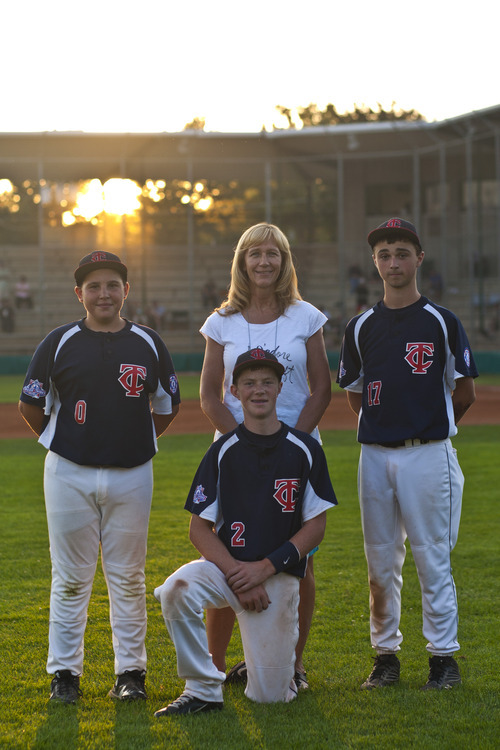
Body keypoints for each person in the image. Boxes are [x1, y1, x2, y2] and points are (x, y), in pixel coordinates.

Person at [18, 250, 181, 705]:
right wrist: (69, 441)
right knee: (70, 578)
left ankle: (131, 673)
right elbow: (31, 406)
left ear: (126, 291)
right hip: (68, 472)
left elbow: (165, 408)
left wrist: (129, 441)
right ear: (79, 294)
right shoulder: (59, 340)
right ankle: (64, 675)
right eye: (94, 286)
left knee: (128, 578)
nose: (104, 293)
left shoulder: (148, 342)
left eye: (112, 284)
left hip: (132, 474)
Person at [154, 349, 337, 716]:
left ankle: (271, 669)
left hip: (277, 578)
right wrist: (240, 576)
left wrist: (264, 569)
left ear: (280, 387)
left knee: (269, 696)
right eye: (249, 383)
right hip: (229, 572)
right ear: (234, 391)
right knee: (176, 589)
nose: (259, 390)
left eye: (267, 381)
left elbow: (315, 527)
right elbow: (199, 529)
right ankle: (203, 687)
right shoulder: (222, 450)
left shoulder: (305, 450)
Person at [337, 218, 478, 691]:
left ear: (419, 258)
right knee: (380, 562)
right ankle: (386, 657)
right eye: (384, 255)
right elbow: (356, 396)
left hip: (426, 453)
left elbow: (465, 393)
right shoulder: (360, 327)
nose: (393, 262)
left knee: (431, 557)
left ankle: (443, 659)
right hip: (374, 455)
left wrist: (424, 424)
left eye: (401, 252)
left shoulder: (440, 321)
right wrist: (386, 427)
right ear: (375, 263)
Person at [199, 222, 332, 688]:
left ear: (284, 260)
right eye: (254, 253)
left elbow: (320, 390)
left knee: (302, 559)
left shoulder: (307, 316)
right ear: (241, 261)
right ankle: (214, 666)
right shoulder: (222, 321)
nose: (264, 262)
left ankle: (292, 666)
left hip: (294, 454)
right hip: (233, 454)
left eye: (273, 253)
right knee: (226, 552)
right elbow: (211, 397)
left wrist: (288, 447)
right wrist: (243, 446)